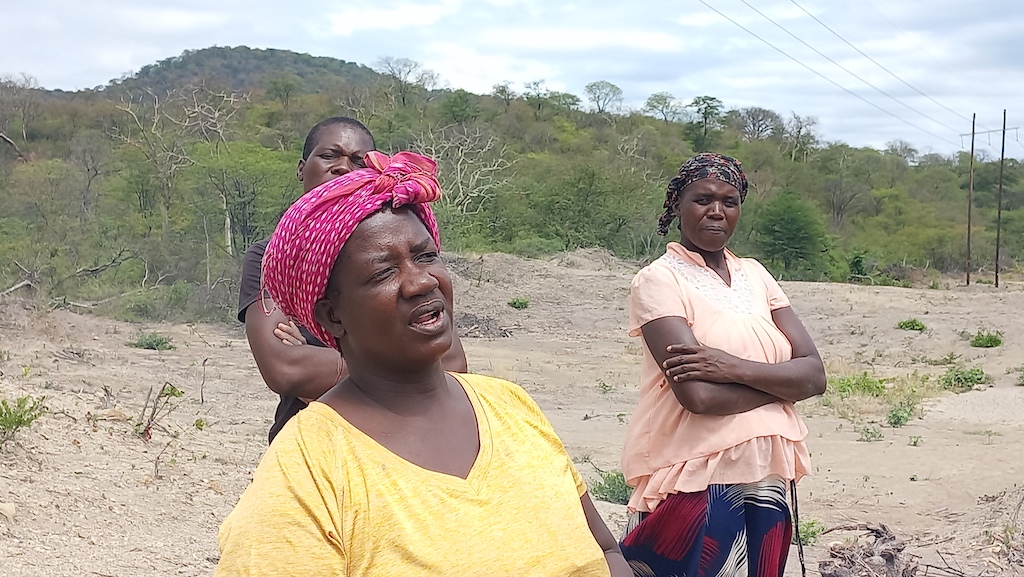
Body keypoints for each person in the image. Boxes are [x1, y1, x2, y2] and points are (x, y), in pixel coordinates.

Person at [215, 151, 631, 577]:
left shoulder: (509, 404)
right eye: (383, 273)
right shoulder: (309, 470)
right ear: (331, 316)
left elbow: (606, 551)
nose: (422, 282)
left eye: (426, 256)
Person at [618, 153, 826, 577]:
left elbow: (815, 375)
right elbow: (699, 396)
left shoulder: (756, 275)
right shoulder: (659, 280)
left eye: (729, 201)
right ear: (677, 204)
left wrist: (731, 366)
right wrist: (782, 392)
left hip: (768, 473)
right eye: (703, 199)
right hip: (697, 473)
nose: (717, 211)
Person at [236, 116, 468, 443]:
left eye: (359, 161)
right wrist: (408, 368)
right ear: (302, 168)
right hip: (313, 445)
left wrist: (326, 373)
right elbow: (286, 368)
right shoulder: (271, 257)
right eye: (329, 156)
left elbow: (453, 364)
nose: (344, 168)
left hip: (407, 445)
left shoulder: (405, 241)